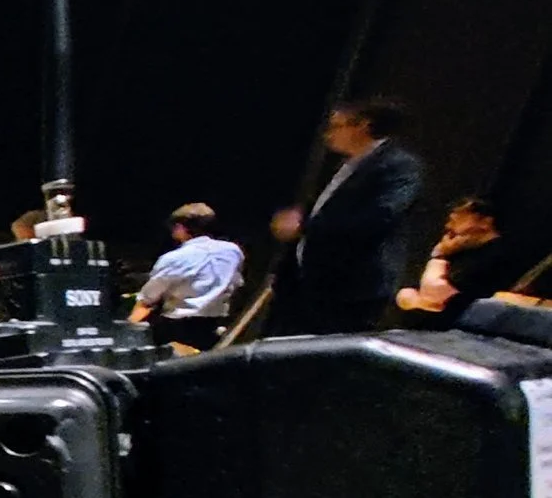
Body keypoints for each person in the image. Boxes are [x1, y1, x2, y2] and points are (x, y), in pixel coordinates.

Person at [267, 98, 425, 335]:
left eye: (336, 126)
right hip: (305, 285)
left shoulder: (400, 166)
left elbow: (380, 217)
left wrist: (304, 226)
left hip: (348, 290)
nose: (328, 134)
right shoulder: (345, 166)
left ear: (363, 126)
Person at [396, 196, 529, 327]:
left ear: (485, 222)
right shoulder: (456, 250)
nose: (448, 226)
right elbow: (404, 293)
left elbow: (437, 293)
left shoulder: (497, 255)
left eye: (458, 220)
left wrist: (439, 256)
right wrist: (421, 301)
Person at [127, 202, 243, 352]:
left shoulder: (174, 258)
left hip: (178, 330)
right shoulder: (233, 251)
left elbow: (148, 299)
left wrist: (128, 325)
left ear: (181, 228)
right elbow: (236, 283)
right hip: (215, 326)